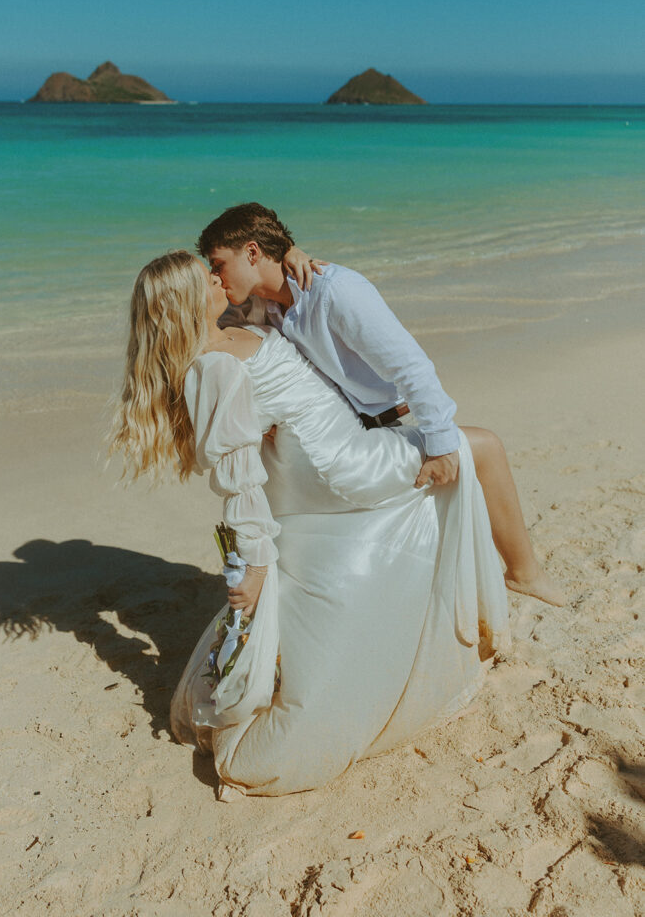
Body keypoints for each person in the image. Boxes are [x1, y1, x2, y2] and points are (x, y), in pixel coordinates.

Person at [110, 250, 511, 798]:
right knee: (477, 446)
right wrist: (250, 562)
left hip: (330, 452)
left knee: (463, 460)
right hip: (340, 466)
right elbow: (238, 478)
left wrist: (287, 253)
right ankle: (521, 576)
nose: (215, 275)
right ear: (185, 301)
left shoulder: (229, 329)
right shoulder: (215, 367)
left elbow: (270, 294)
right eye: (205, 277)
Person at [198, 203, 564, 607]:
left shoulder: (334, 290)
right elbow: (207, 331)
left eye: (218, 264)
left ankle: (524, 574)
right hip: (346, 439)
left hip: (394, 422)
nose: (214, 276)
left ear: (252, 253)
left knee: (486, 448)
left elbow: (411, 366)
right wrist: (288, 249)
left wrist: (441, 443)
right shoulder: (260, 307)